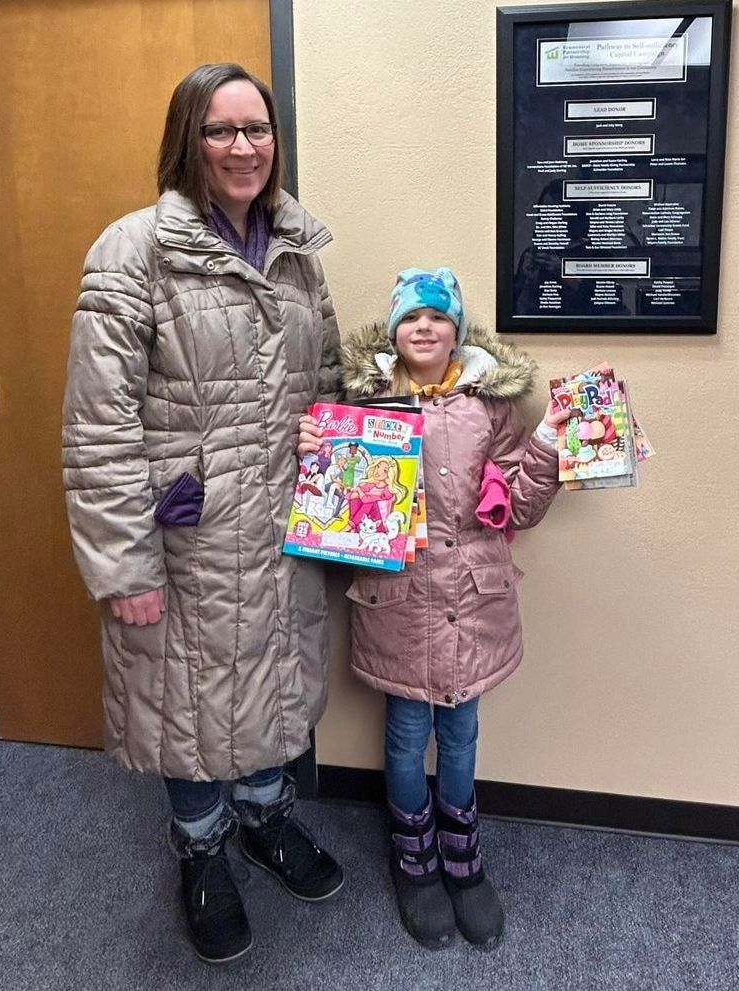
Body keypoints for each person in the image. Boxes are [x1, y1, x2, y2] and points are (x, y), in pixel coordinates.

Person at [62, 63, 343, 965]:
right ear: (188, 139)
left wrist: (350, 505)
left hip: (282, 524)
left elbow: (329, 390)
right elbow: (97, 428)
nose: (241, 147)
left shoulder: (297, 252)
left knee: (272, 681)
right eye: (219, 130)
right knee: (185, 701)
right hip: (185, 532)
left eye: (254, 129)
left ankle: (265, 819)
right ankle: (201, 852)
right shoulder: (131, 250)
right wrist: (123, 566)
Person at [298, 267, 569, 950]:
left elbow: (523, 503)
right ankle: (413, 857)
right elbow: (337, 506)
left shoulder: (490, 405)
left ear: (456, 330)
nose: (424, 327)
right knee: (403, 731)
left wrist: (544, 449)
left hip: (474, 599)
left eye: (438, 317)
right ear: (394, 332)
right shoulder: (368, 401)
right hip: (400, 600)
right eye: (411, 318)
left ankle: (462, 854)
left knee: (460, 732)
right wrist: (315, 454)